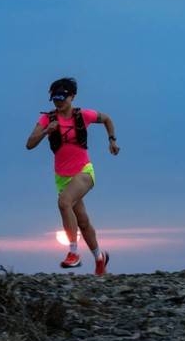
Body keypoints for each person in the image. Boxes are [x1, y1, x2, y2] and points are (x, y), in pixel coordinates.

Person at [26, 77, 120, 276]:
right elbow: (29, 144)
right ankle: (100, 259)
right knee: (83, 221)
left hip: (84, 171)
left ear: (72, 97)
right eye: (55, 99)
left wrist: (112, 140)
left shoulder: (83, 115)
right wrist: (46, 131)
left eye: (62, 98)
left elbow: (107, 119)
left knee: (64, 202)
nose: (58, 102)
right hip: (62, 177)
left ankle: (73, 253)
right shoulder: (47, 119)